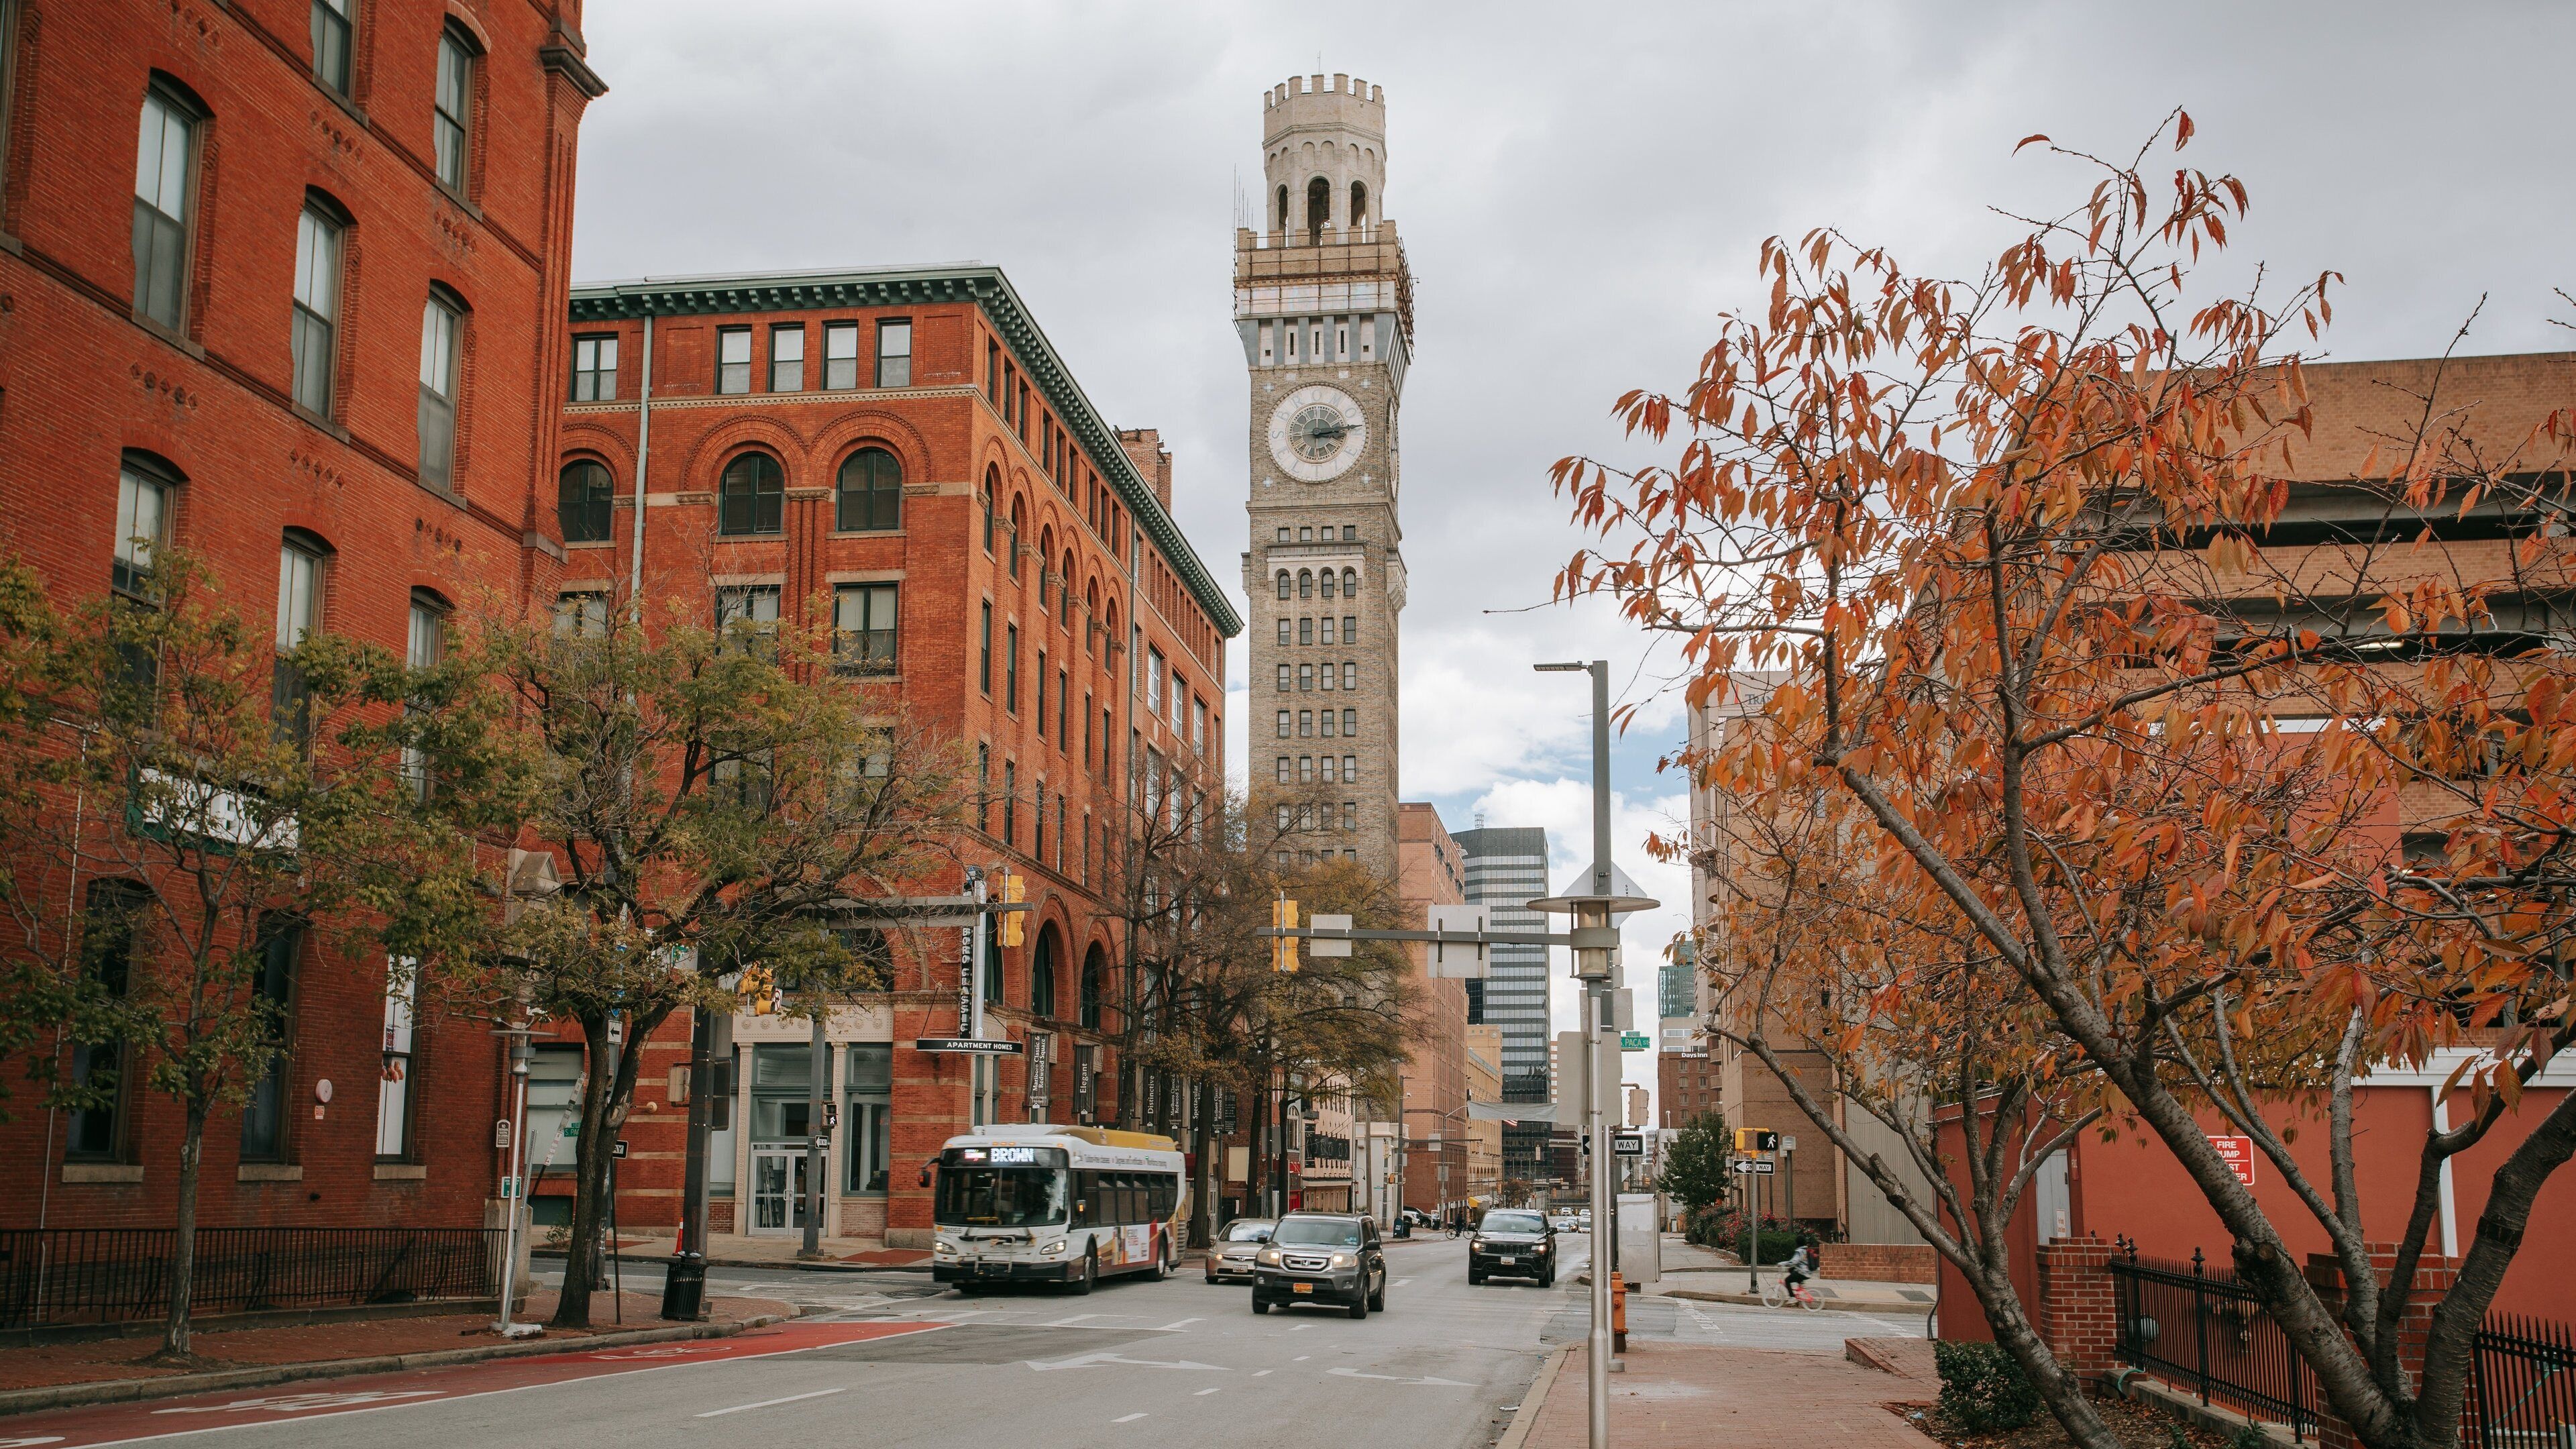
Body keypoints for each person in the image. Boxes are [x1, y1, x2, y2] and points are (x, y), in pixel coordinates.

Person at [1781, 1238, 1817, 1303]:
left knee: (1787, 1281)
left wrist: (1782, 1263)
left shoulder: (1799, 1251)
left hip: (1802, 1272)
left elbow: (1793, 1262)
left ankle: (1792, 1298)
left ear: (1797, 1243)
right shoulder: (1805, 1250)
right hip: (1808, 1272)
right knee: (1791, 1269)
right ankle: (1801, 1283)